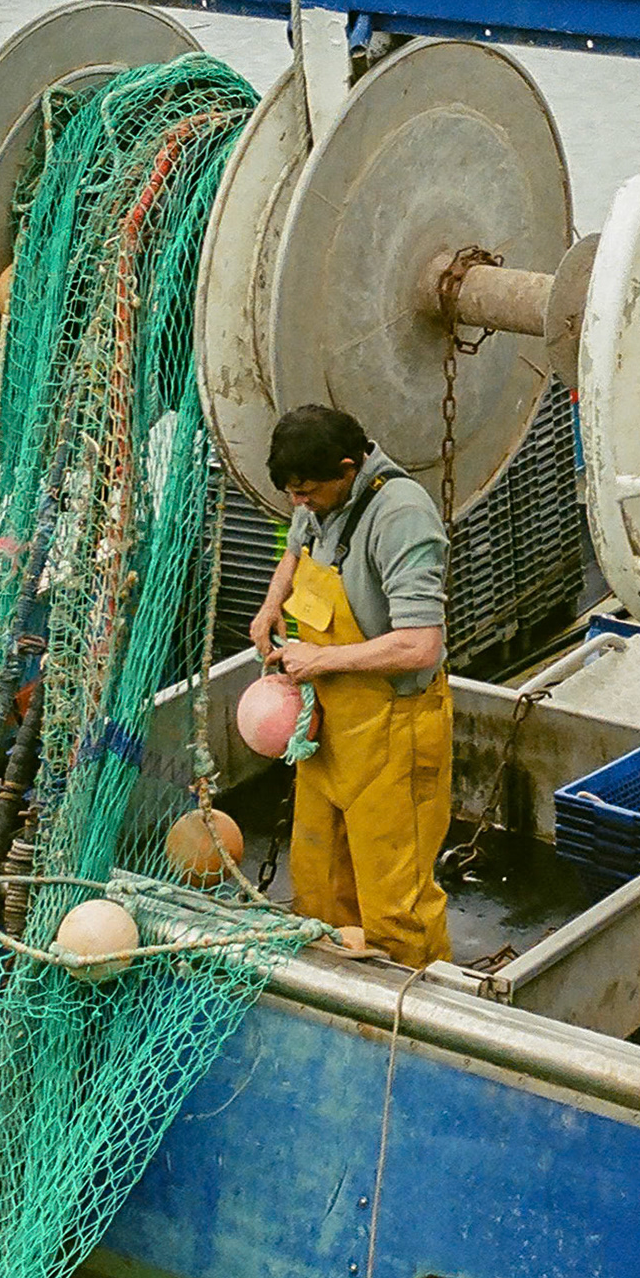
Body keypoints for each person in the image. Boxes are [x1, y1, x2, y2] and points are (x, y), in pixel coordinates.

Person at [249, 405, 452, 966]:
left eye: (308, 490)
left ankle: (420, 1025)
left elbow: (420, 644)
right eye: (292, 491)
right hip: (328, 726)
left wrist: (323, 657)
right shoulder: (317, 499)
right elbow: (297, 544)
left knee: (396, 905)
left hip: (393, 728)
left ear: (347, 467)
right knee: (318, 884)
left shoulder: (402, 517)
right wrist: (270, 608)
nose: (299, 502)